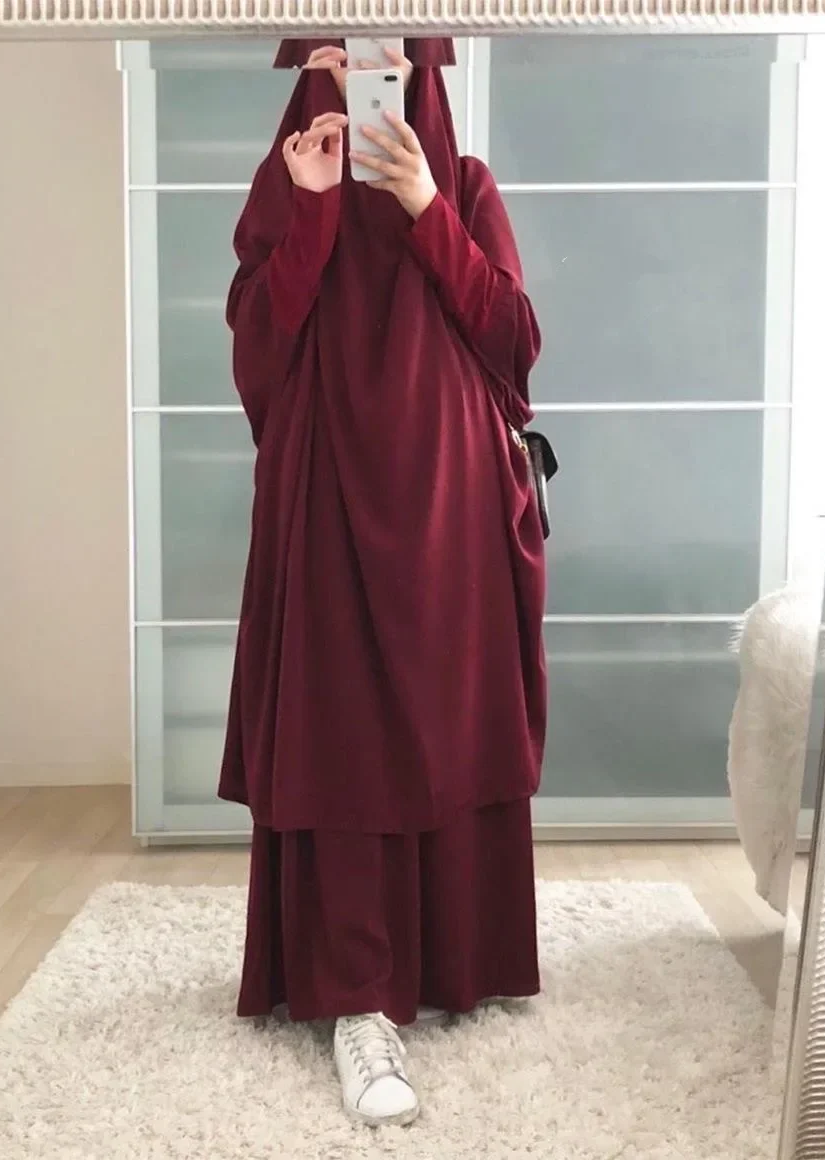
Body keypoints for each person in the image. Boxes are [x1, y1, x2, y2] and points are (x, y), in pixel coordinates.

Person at [219, 37, 547, 1127]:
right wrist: (313, 208)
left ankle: (455, 962)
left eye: (384, 63)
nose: (358, 81)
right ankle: (357, 997)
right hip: (325, 498)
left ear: (424, 78)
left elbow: (515, 344)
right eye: (335, 58)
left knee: (446, 720)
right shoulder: (285, 187)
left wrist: (424, 207)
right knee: (343, 728)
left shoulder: (466, 186)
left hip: (452, 508)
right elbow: (258, 359)